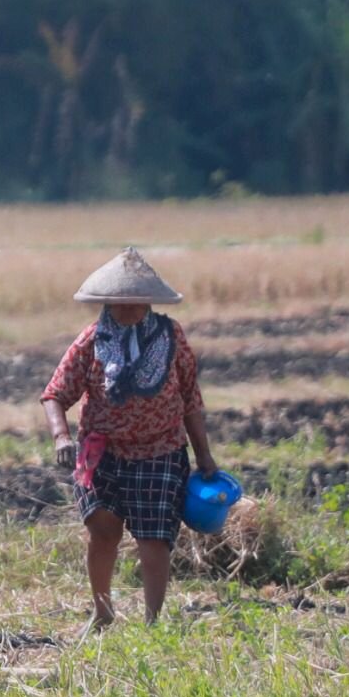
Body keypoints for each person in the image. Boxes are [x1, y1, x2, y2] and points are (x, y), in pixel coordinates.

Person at [40, 248, 219, 630]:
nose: (127, 308)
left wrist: (204, 454)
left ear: (148, 301)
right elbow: (55, 393)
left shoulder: (171, 337)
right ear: (107, 302)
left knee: (154, 538)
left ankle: (152, 622)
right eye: (119, 302)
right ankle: (102, 610)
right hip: (102, 453)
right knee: (102, 529)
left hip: (160, 450)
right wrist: (60, 436)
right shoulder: (92, 340)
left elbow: (190, 399)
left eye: (134, 301)